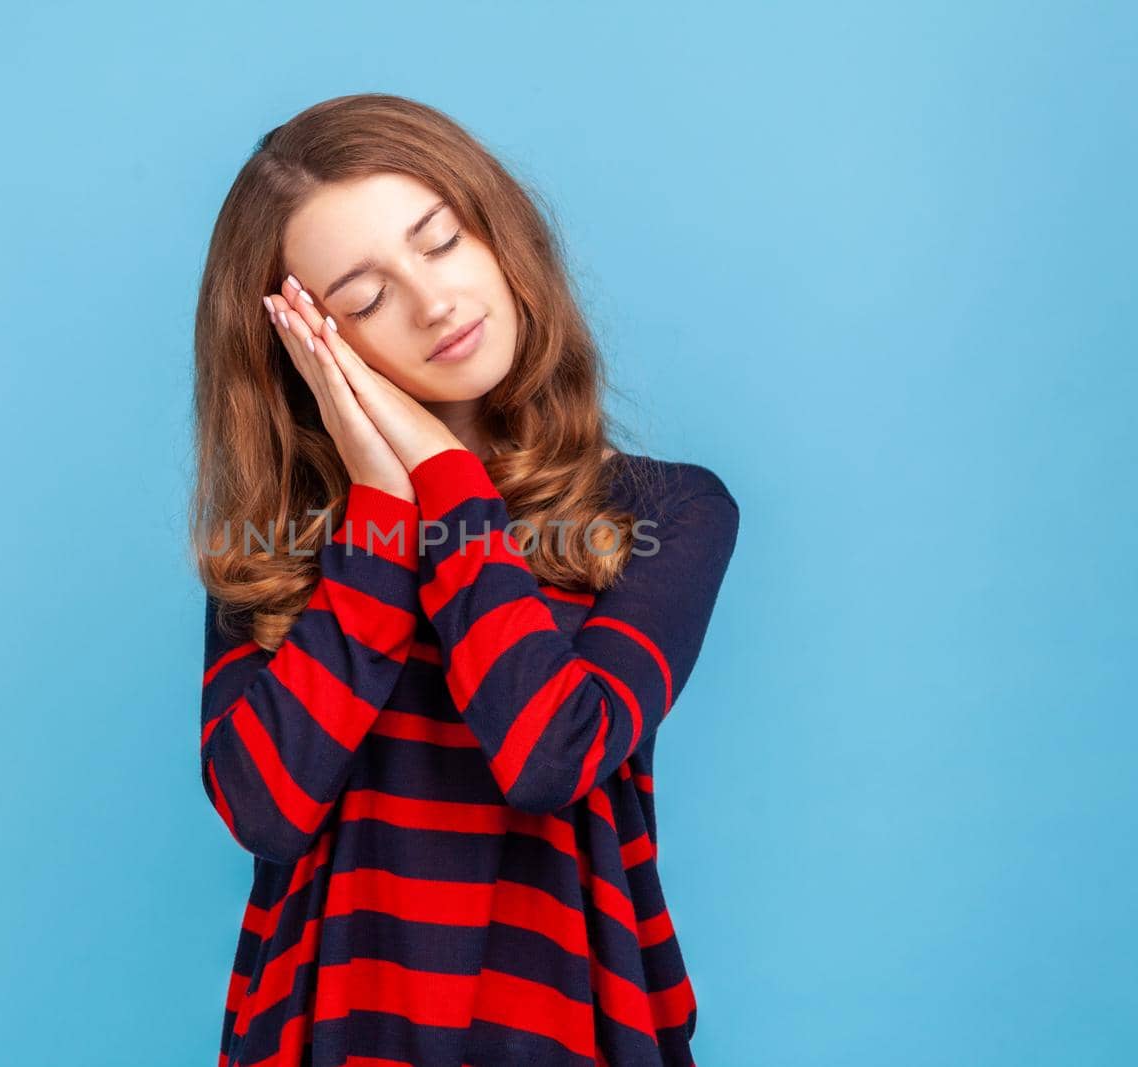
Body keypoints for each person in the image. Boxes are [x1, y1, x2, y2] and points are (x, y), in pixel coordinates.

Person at [190, 93, 740, 1067]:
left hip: (574, 1020)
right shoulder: (276, 552)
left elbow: (549, 755)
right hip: (328, 1031)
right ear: (306, 350)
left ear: (498, 237)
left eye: (440, 242)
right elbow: (263, 808)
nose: (433, 303)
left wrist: (442, 476)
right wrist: (377, 507)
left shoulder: (663, 513)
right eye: (363, 298)